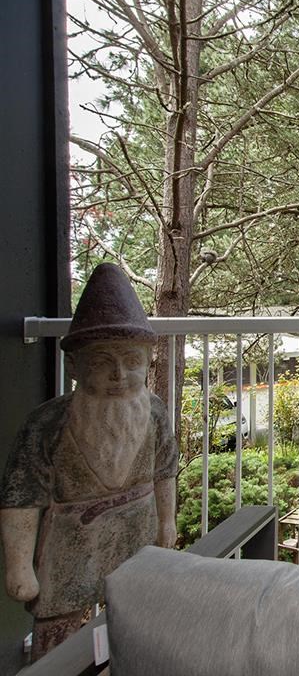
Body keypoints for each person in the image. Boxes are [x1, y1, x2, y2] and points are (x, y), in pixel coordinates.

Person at [0, 264, 178, 660]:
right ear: (75, 366)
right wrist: (19, 565)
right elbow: (21, 498)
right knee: (57, 630)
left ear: (148, 362)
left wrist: (167, 520)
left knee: (140, 612)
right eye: (101, 361)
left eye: (132, 360)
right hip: (70, 540)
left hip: (139, 528)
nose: (119, 374)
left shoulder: (155, 412)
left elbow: (166, 470)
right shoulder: (48, 423)